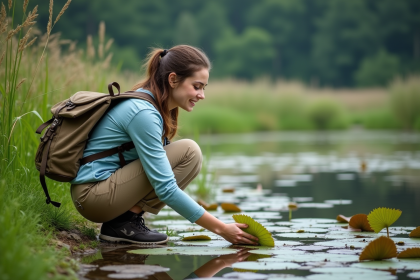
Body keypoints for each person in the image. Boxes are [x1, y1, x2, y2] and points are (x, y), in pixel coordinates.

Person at [70, 45, 259, 246]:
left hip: (104, 192)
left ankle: (124, 223)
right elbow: (166, 188)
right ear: (172, 79)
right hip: (92, 196)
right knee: (189, 151)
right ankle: (121, 224)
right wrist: (221, 229)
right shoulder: (143, 113)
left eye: (204, 87)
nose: (202, 95)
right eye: (197, 86)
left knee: (191, 155)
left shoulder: (155, 105)